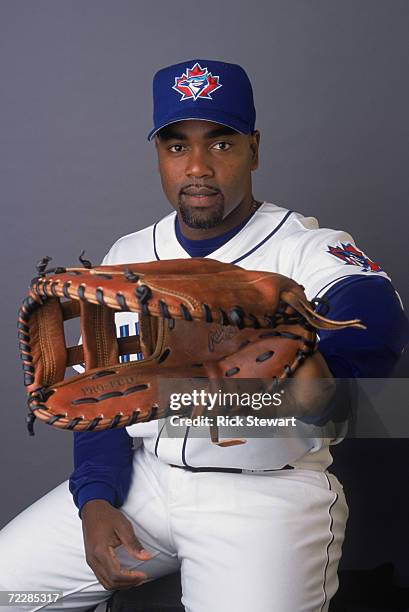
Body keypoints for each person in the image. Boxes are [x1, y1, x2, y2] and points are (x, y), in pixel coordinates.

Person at [1, 59, 408, 612]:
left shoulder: (302, 245)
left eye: (221, 144)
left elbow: (376, 314)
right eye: (176, 147)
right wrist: (95, 500)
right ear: (159, 157)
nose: (198, 166)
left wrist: (316, 374)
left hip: (265, 496)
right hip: (147, 485)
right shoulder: (126, 257)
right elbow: (99, 397)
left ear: (254, 150)